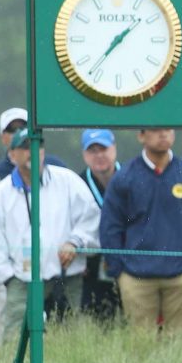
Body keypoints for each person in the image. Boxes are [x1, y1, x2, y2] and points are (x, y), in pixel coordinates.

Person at [99, 128, 182, 331]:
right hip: (136, 277)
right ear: (141, 135)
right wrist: (119, 269)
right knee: (142, 347)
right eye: (155, 130)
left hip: (181, 275)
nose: (163, 134)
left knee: (181, 347)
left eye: (167, 129)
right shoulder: (125, 177)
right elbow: (111, 226)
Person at [0, 129, 100, 337]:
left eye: (38, 146)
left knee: (70, 337)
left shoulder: (68, 181)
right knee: (14, 339)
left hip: (67, 275)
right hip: (21, 279)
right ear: (12, 155)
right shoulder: (0, 195)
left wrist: (75, 242)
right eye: (25, 147)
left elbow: (91, 218)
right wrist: (8, 277)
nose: (33, 151)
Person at [78, 129, 121, 321]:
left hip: (127, 264)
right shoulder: (77, 184)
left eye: (103, 149)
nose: (99, 155)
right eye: (92, 150)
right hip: (90, 268)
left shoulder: (132, 178)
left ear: (114, 149)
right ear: (84, 155)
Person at [0, 108, 66, 178]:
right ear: (3, 138)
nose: (18, 133)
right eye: (12, 129)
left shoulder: (57, 166)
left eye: (23, 127)